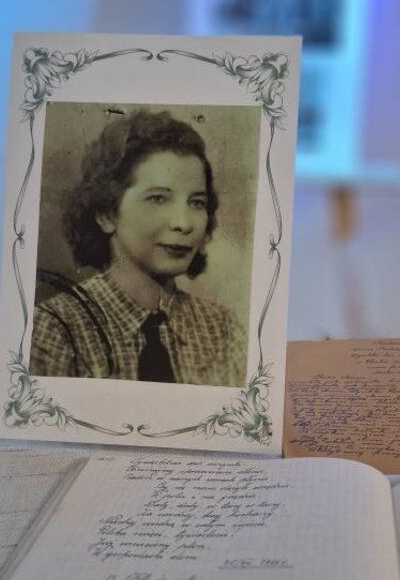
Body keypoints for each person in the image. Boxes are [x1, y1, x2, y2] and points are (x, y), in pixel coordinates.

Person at [29, 109, 247, 385]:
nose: (183, 223)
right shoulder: (55, 331)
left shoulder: (223, 330)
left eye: (197, 203)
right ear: (107, 213)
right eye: (158, 198)